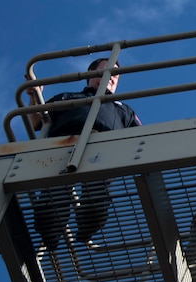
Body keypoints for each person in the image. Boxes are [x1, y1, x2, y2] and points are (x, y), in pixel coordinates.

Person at [27, 58, 142, 250]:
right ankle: (49, 239)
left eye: (116, 75)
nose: (111, 77)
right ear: (90, 74)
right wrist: (34, 95)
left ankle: (85, 231)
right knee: (50, 206)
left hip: (103, 153)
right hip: (62, 148)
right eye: (106, 71)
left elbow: (141, 137)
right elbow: (37, 122)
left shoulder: (123, 109)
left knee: (96, 206)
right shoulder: (67, 97)